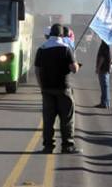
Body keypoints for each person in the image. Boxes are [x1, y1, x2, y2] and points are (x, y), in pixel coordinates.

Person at [34, 24, 81, 154]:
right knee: (66, 119)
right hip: (63, 89)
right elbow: (74, 69)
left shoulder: (41, 49)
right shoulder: (66, 49)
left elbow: (37, 70)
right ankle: (67, 146)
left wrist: (41, 86)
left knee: (48, 120)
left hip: (47, 89)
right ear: (61, 35)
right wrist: (76, 62)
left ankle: (48, 146)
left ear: (50, 34)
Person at [95, 41, 112, 109]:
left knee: (104, 87)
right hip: (106, 68)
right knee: (106, 87)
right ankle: (105, 103)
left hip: (103, 69)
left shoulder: (104, 45)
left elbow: (102, 58)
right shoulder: (108, 45)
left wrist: (98, 68)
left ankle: (104, 103)